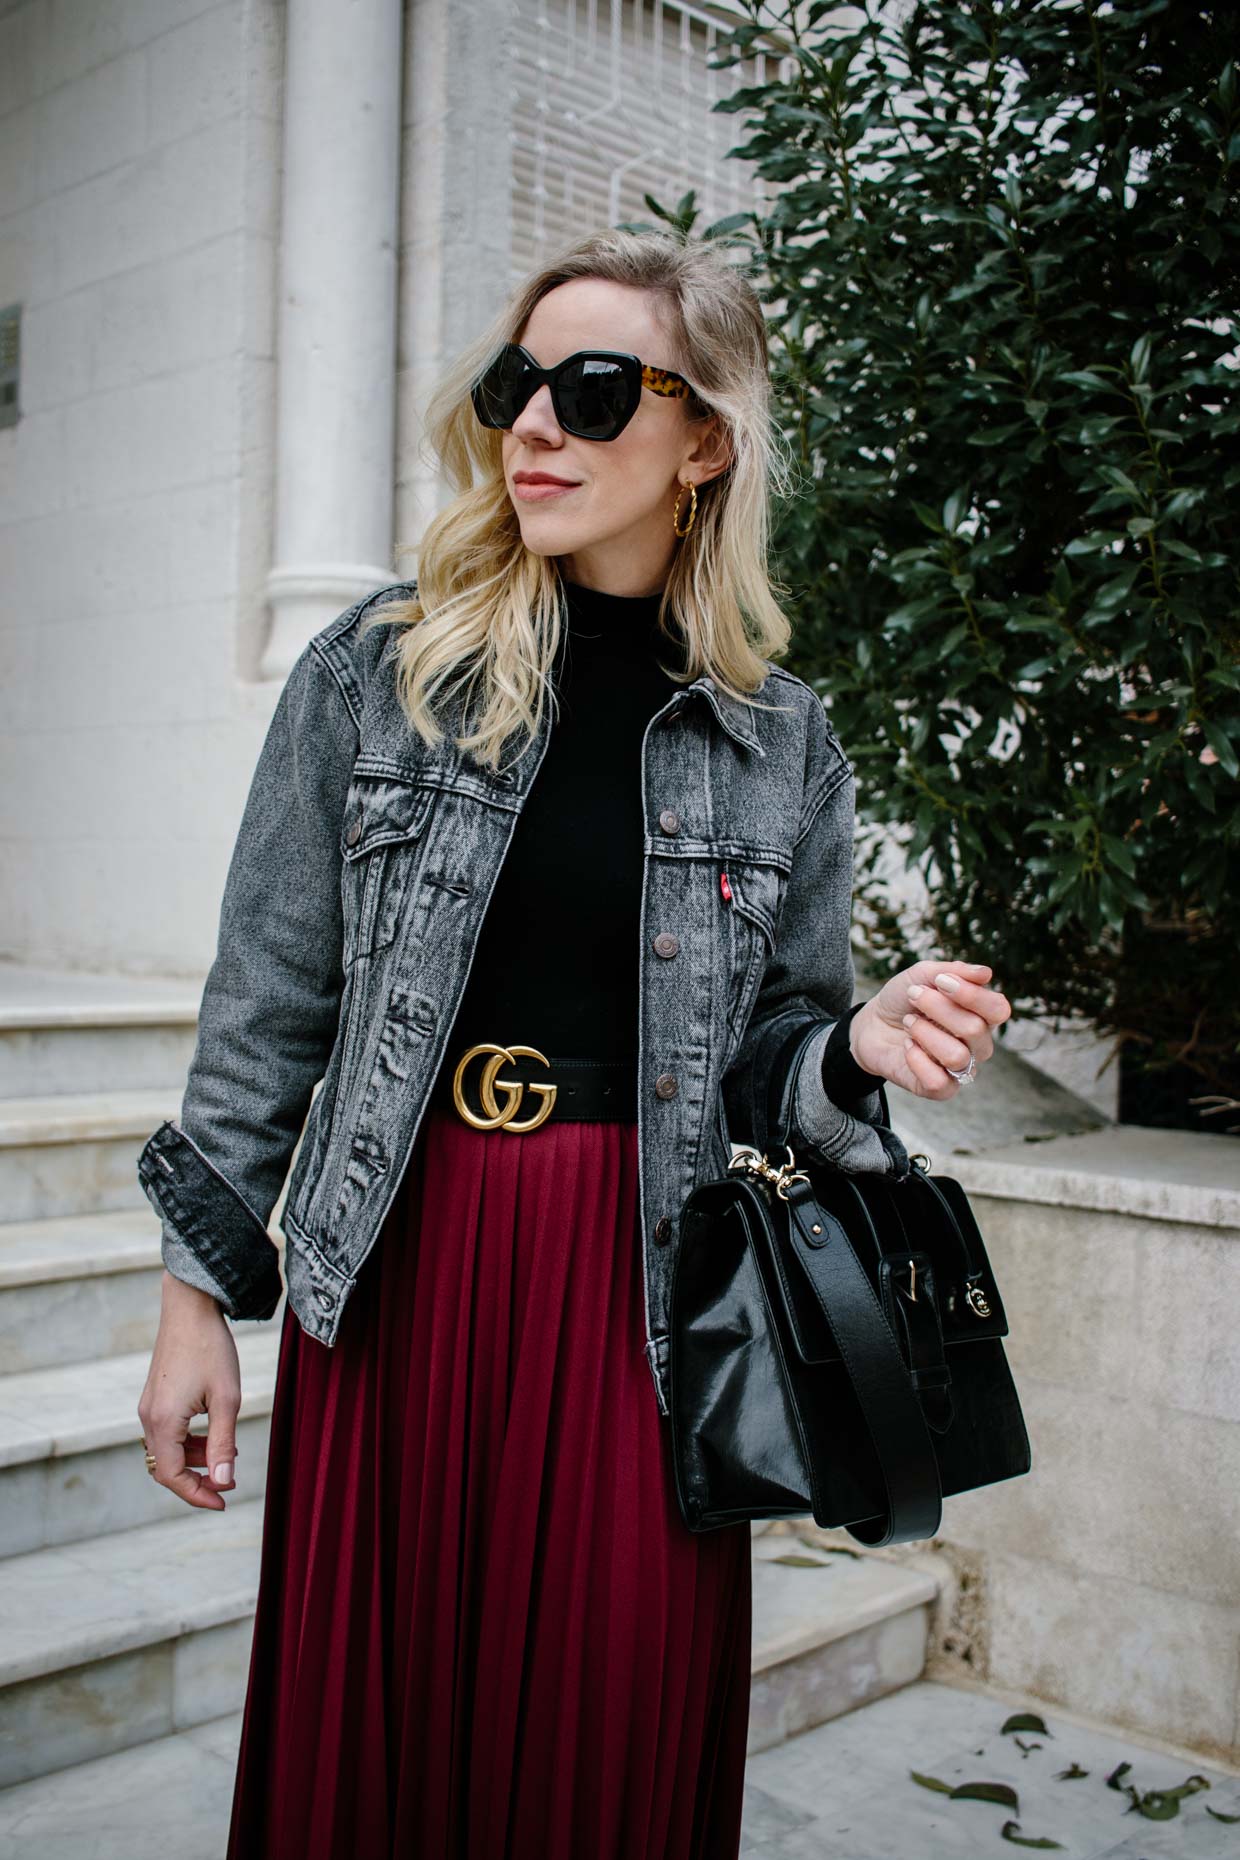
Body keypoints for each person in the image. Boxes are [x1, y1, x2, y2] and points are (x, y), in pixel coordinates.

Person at [135, 227, 1010, 1859]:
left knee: (599, 1748)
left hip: (647, 1302)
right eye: (517, 384)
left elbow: (779, 1065)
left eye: (595, 389)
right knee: (383, 1745)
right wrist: (199, 1298)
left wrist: (861, 1045)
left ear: (704, 442)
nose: (535, 423)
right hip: (406, 1265)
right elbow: (267, 1007)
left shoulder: (781, 741)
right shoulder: (380, 671)